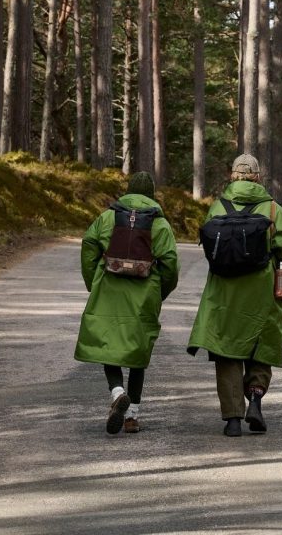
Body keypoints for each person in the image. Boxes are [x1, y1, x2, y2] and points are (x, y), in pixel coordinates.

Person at [188, 153, 282, 436]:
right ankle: (256, 399)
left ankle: (233, 419)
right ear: (257, 177)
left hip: (223, 289)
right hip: (261, 287)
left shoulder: (218, 206)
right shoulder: (273, 209)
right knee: (262, 341)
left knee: (226, 348)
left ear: (233, 176)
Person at [74, 171, 179, 434]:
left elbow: (89, 244)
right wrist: (159, 293)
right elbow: (170, 265)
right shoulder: (160, 224)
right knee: (137, 352)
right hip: (144, 294)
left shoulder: (108, 216)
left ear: (128, 190)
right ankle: (132, 417)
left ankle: (117, 392)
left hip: (108, 290)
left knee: (108, 344)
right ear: (151, 195)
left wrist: (93, 282)